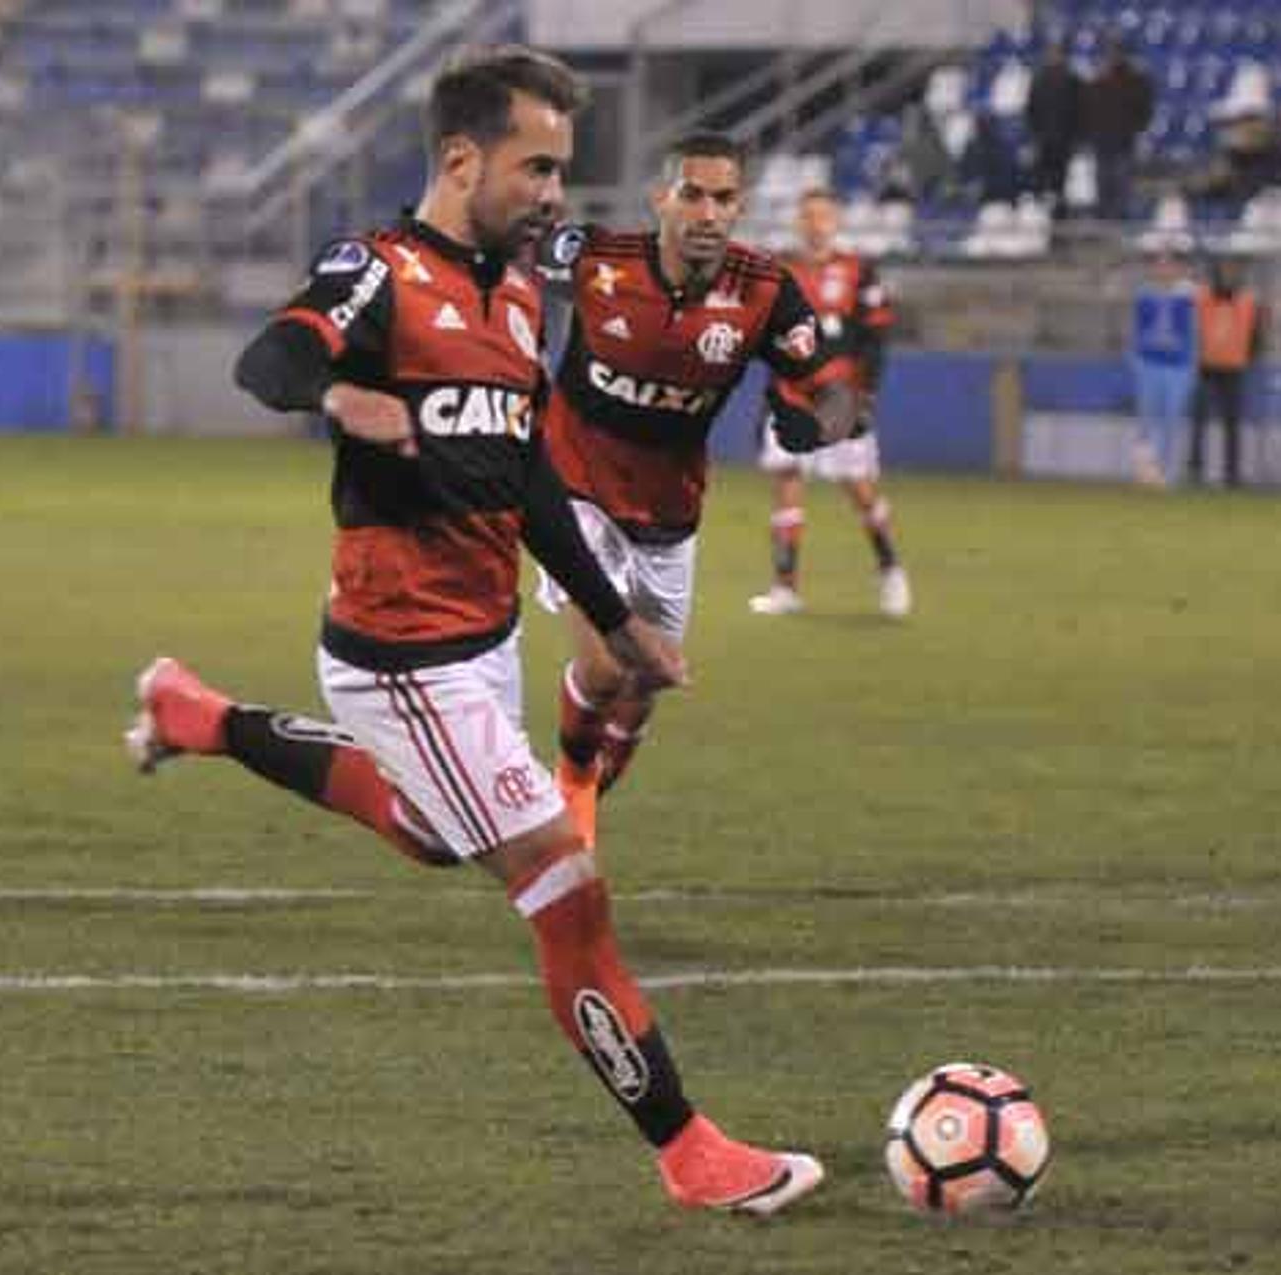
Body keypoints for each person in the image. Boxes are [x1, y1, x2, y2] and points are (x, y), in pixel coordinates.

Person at [122, 48, 824, 1215]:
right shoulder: (380, 269)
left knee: (426, 828)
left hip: (482, 639)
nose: (555, 193)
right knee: (563, 878)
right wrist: (333, 395)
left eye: (562, 169)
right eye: (537, 166)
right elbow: (274, 356)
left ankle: (194, 714)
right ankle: (689, 1150)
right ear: (460, 159)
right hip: (401, 659)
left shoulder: (513, 292)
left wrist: (617, 623)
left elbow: (528, 480)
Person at [531, 132, 857, 849]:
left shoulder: (765, 290)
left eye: (724, 198)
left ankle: (585, 784)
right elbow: (499, 254)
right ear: (662, 199)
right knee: (600, 663)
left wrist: (819, 426)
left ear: (740, 207)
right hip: (574, 487)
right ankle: (573, 782)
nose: (708, 212)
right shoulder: (596, 259)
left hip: (670, 513)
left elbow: (835, 387)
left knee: (645, 684)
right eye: (693, 194)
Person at [749, 187, 908, 618]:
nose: (815, 224)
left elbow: (876, 337)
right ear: (799, 222)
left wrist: (866, 392)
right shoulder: (780, 271)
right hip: (790, 395)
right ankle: (785, 588)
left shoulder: (860, 270)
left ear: (836, 221)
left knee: (859, 489)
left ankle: (891, 571)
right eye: (808, 216)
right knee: (787, 485)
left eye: (823, 216)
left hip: (841, 397)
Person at [1128, 245, 1198, 486]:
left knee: (1171, 418)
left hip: (1177, 366)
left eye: (1168, 264)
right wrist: (1136, 358)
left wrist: (1191, 364)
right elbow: (1137, 330)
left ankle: (1167, 471)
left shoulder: (1188, 296)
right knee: (1146, 418)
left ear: (1178, 268)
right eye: (1159, 264)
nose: (1164, 269)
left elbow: (1193, 331)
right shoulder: (1145, 295)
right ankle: (1144, 470)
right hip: (1150, 362)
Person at [1188, 256, 1261, 487]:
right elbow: (1192, 330)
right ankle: (1195, 471)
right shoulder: (1202, 299)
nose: (1227, 276)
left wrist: (1249, 359)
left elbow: (1256, 336)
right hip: (1206, 367)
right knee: (1198, 420)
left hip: (1234, 369)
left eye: (1232, 272)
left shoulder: (1247, 302)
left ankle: (1232, 475)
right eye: (1224, 271)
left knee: (1232, 424)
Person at [1083, 35, 1153, 223]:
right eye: (1110, 52)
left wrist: (1134, 128)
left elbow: (1145, 110)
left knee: (1123, 187)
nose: (1113, 56)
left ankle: (1121, 226)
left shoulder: (1136, 79)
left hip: (1124, 142)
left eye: (1117, 51)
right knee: (1103, 186)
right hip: (1102, 142)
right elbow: (1087, 109)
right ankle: (1104, 226)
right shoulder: (1097, 80)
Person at [1025, 42, 1081, 212]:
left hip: (1064, 140)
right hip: (1044, 140)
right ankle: (1040, 214)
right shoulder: (1039, 79)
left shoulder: (1072, 80)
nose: (1055, 57)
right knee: (1041, 182)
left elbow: (1079, 111)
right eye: (1052, 53)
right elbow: (1031, 109)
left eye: (1058, 53)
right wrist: (1035, 134)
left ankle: (1059, 217)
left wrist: (1075, 136)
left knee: (1060, 184)